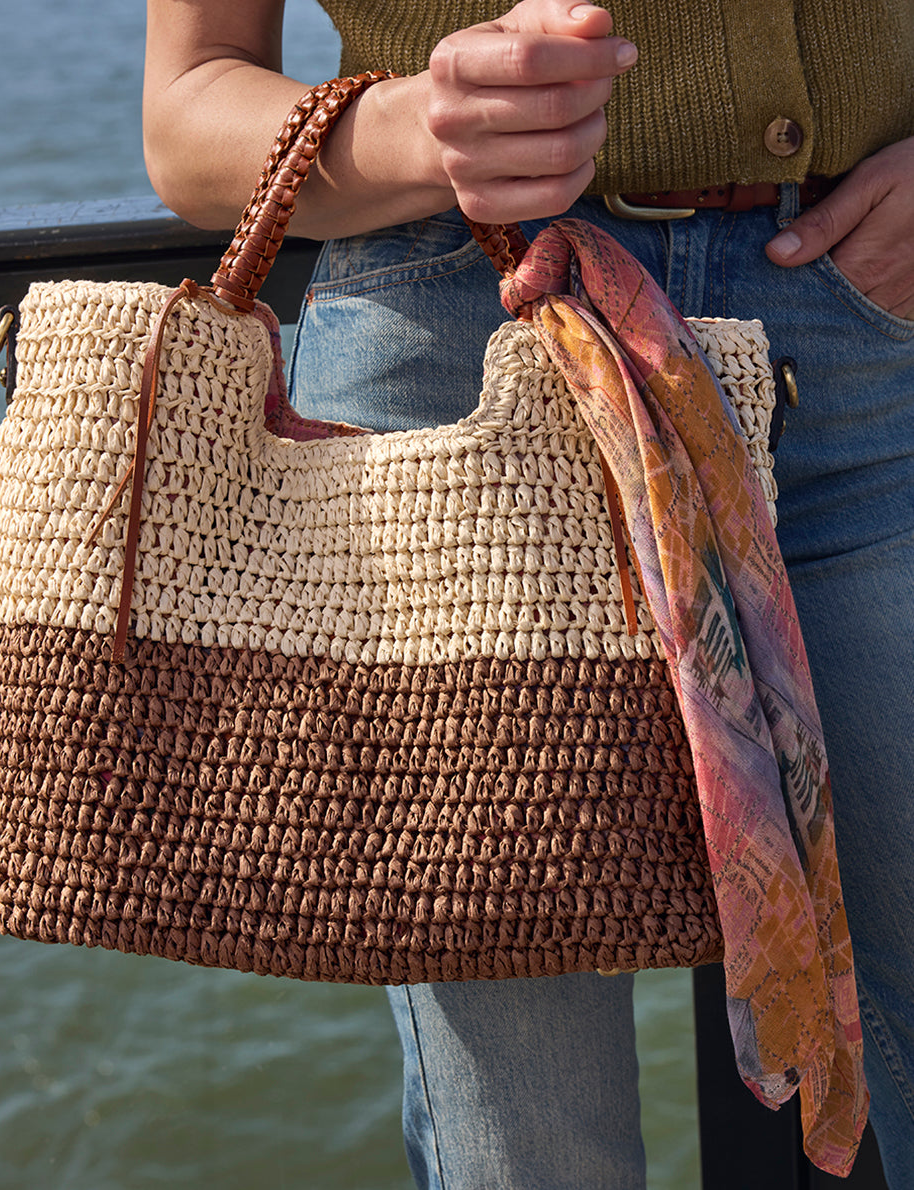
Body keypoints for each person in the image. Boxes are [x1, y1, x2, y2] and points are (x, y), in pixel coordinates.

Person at [143, 1, 914, 1185]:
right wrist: (416, 128)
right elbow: (187, 113)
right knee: (529, 1147)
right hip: (447, 351)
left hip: (858, 337)